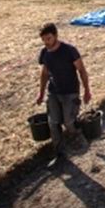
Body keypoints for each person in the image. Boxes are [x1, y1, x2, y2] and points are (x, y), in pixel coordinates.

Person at [36, 23, 92, 168]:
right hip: (53, 92)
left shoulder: (69, 51)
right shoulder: (45, 53)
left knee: (68, 122)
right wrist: (41, 93)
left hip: (70, 92)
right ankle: (59, 154)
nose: (46, 42)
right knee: (53, 123)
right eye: (43, 40)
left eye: (48, 38)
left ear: (55, 35)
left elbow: (82, 70)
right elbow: (44, 73)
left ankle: (79, 134)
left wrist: (86, 90)